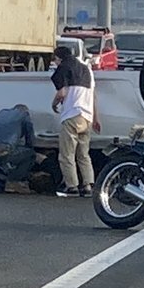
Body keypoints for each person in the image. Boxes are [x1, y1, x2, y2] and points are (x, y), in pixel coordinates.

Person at [51, 44, 101, 197]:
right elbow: (93, 95)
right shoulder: (87, 69)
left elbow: (62, 92)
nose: (55, 63)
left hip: (71, 115)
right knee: (83, 154)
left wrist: (54, 104)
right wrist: (96, 118)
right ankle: (88, 185)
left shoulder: (63, 68)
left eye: (55, 59)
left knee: (67, 154)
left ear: (59, 58)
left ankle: (71, 186)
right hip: (87, 117)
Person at [0, 104, 37, 193]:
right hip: (4, 153)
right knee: (30, 154)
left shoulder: (1, 114)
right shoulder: (24, 115)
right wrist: (30, 146)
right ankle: (13, 182)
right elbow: (30, 139)